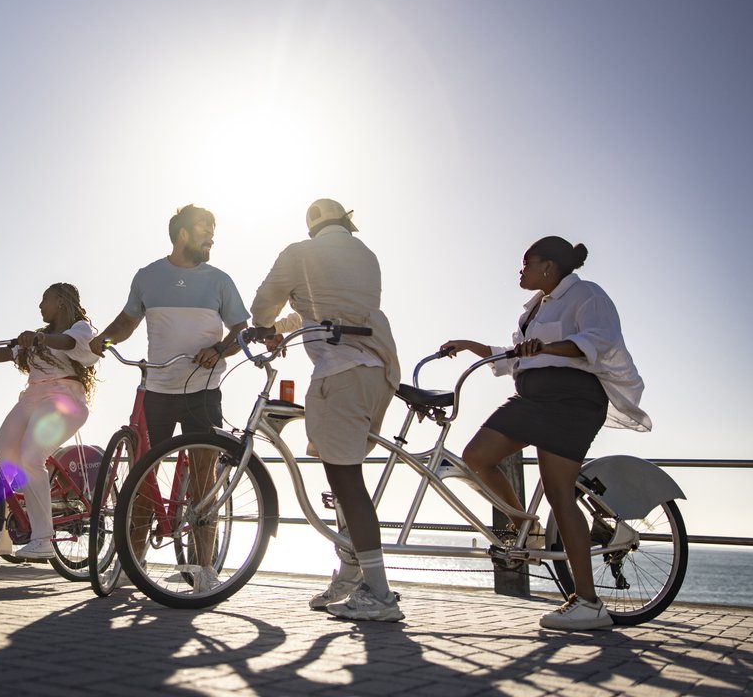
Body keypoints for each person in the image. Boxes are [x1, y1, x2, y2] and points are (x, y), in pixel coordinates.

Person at [441, 236, 650, 631]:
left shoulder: (586, 295)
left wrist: (551, 347)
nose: (521, 271)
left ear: (549, 267)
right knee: (476, 456)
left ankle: (588, 603)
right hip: (530, 399)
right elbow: (516, 354)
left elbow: (598, 340)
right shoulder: (534, 309)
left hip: (571, 401)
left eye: (527, 263)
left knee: (559, 493)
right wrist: (469, 345)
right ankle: (525, 525)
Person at [249, 198, 404, 622]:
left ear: (311, 224)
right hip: (378, 372)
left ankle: (380, 593)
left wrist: (264, 329)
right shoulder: (365, 255)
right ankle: (352, 570)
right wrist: (282, 332)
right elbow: (317, 312)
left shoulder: (300, 253)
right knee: (342, 475)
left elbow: (263, 306)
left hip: (341, 373)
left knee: (348, 483)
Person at [90, 204, 250, 592]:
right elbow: (127, 322)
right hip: (157, 390)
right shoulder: (148, 277)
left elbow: (240, 330)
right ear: (182, 234)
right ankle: (134, 562)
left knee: (203, 481)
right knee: (144, 478)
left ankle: (203, 570)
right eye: (204, 228)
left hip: (203, 389)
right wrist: (101, 342)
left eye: (214, 228)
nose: (212, 236)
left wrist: (219, 350)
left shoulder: (220, 280)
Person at [0, 283, 101, 563]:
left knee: (31, 457)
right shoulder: (38, 337)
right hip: (32, 399)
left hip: (64, 398)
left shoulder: (80, 329)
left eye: (44, 299)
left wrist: (40, 339)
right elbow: (4, 352)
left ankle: (43, 539)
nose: (39, 305)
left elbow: (70, 343)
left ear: (61, 301)